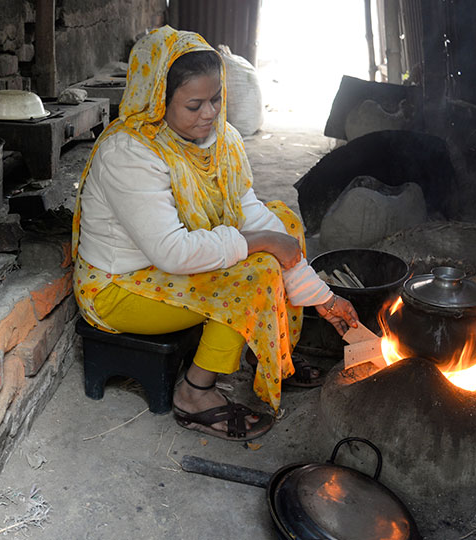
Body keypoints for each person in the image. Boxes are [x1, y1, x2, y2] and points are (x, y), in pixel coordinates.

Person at [71, 26, 359, 441]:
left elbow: (249, 213)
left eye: (216, 99)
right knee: (254, 274)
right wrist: (262, 245)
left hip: (169, 264)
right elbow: (172, 252)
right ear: (157, 100)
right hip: (122, 286)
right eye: (194, 105)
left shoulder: (220, 139)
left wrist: (324, 297)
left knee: (284, 224)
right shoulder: (128, 153)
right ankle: (194, 393)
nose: (209, 113)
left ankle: (269, 352)